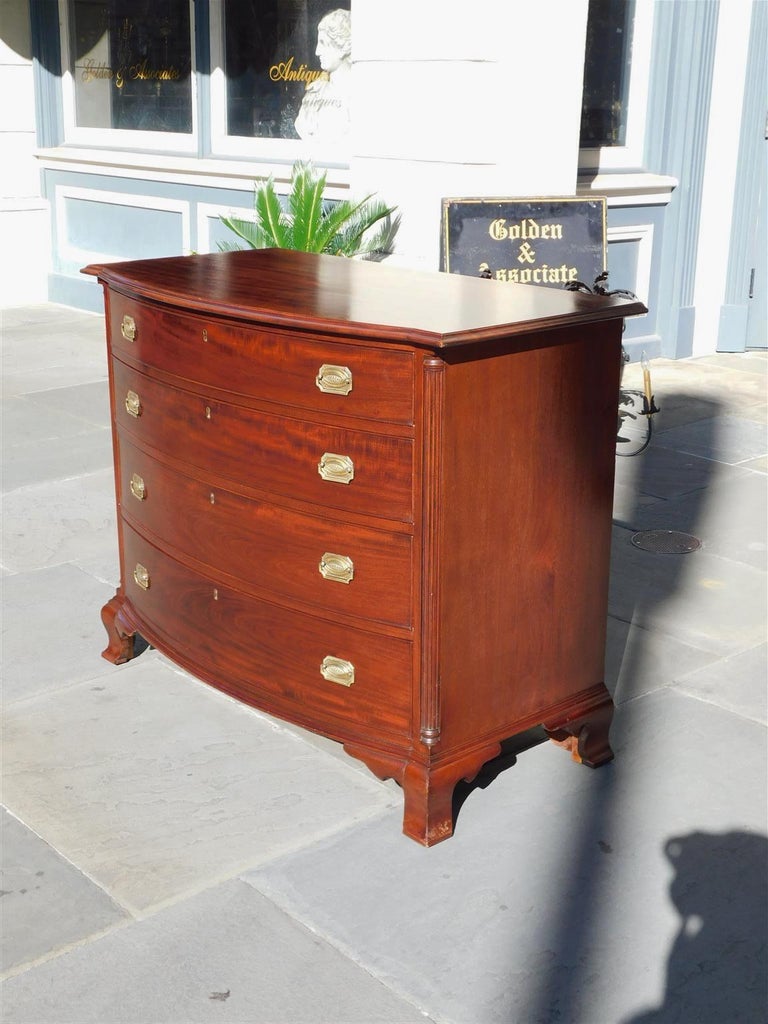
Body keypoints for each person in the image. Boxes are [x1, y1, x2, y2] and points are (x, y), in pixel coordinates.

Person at [294, 9, 351, 143]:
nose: (317, 52)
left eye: (323, 43)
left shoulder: (360, 96)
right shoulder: (314, 93)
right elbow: (302, 127)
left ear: (343, 46)